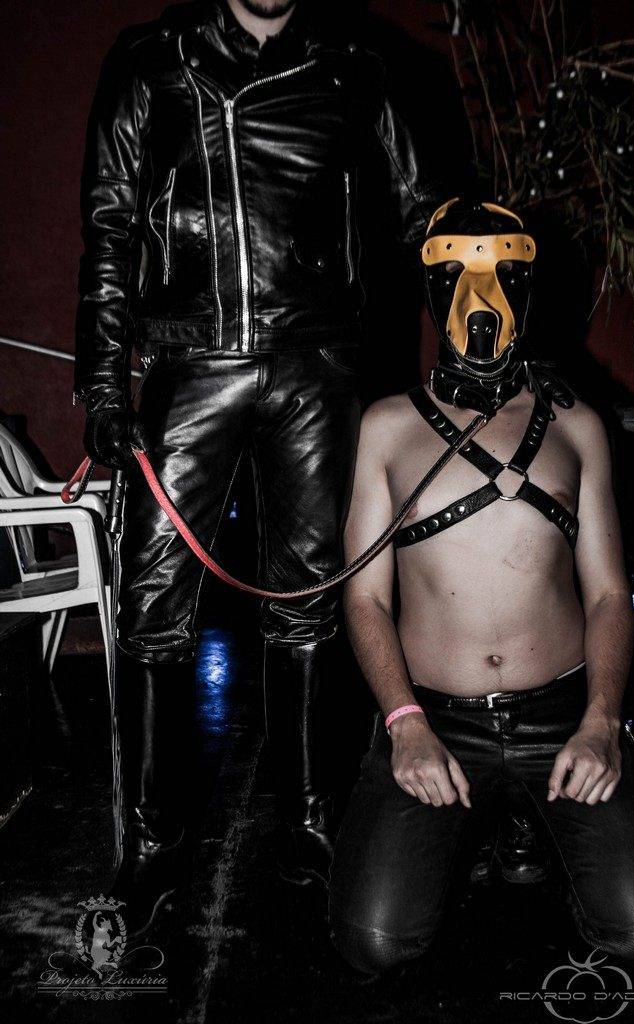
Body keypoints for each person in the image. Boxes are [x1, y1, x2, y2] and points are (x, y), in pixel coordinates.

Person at [73, 0, 463, 933]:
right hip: (186, 362)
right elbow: (110, 221)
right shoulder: (151, 58)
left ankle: (311, 821)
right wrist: (103, 383)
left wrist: (473, 359)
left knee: (310, 602)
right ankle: (154, 841)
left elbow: (429, 221)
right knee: (151, 605)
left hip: (316, 364)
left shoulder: (356, 61)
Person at [329, 198, 634, 974]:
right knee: (374, 943)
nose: (478, 298)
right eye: (455, 275)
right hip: (435, 719)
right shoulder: (385, 426)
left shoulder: (576, 424)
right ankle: (493, 808)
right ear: (431, 291)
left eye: (499, 276)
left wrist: (601, 720)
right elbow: (364, 597)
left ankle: (527, 817)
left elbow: (607, 595)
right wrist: (404, 724)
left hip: (563, 713)